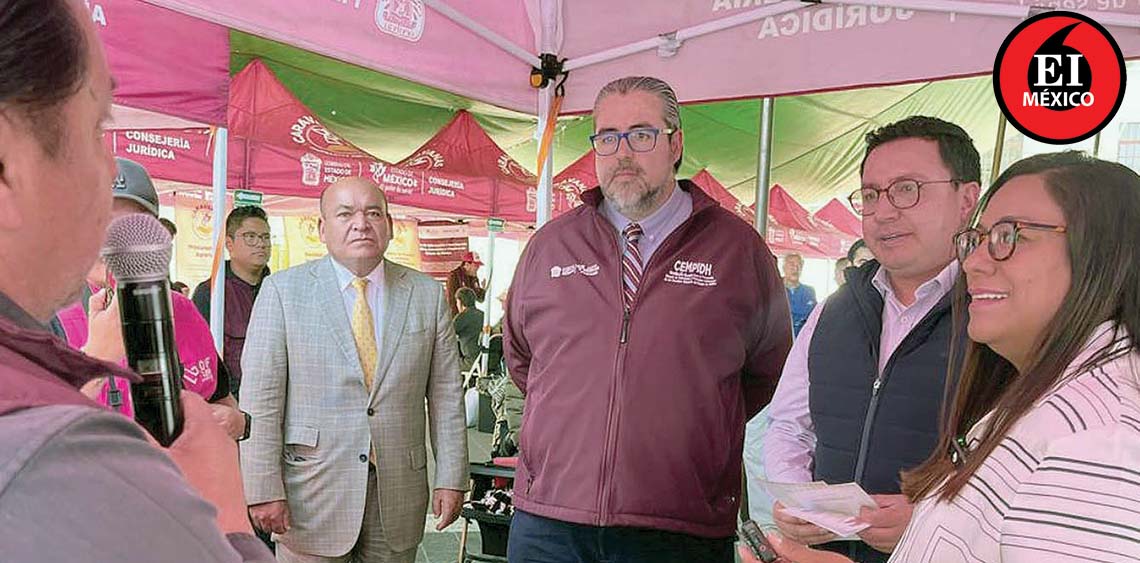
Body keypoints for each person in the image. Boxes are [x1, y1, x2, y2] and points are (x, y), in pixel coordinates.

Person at [759, 153, 1140, 562]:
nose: (973, 261)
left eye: (1008, 236)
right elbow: (789, 422)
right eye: (978, 239)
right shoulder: (1055, 399)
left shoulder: (1098, 441)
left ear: (1105, 252)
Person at [0, 0, 271, 560]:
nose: (108, 169)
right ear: (8, 163)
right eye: (97, 126)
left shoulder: (182, 314)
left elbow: (219, 393)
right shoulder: (51, 451)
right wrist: (224, 520)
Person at [503, 76, 792, 563]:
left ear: (675, 144)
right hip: (550, 521)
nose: (622, 153)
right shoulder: (550, 246)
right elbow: (523, 361)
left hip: (679, 524)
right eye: (607, 137)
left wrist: (693, 426)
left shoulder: (737, 251)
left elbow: (766, 371)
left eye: (641, 135)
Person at [762, 116, 981, 562]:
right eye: (870, 195)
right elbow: (788, 424)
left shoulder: (996, 312)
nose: (883, 212)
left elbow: (1022, 468)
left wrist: (933, 518)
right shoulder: (834, 310)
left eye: (907, 189)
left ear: (967, 200)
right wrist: (797, 496)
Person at [240, 176, 468, 563]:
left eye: (373, 213)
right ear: (322, 228)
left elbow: (447, 397)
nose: (361, 224)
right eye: (345, 214)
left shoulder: (426, 294)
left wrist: (452, 477)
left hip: (397, 491)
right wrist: (262, 487)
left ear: (389, 226)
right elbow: (260, 399)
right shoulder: (282, 292)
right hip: (310, 494)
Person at [54, 157, 246, 441]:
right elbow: (28, 436)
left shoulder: (182, 309)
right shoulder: (44, 317)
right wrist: (97, 357)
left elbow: (221, 398)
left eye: (132, 227)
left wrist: (236, 421)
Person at [192, 205, 272, 398]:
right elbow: (199, 355)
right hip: (230, 399)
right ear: (229, 243)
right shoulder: (211, 292)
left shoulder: (278, 289)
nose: (260, 244)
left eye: (265, 237)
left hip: (273, 396)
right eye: (250, 237)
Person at [783, 253, 817, 337]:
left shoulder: (809, 292)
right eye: (791, 264)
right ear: (784, 267)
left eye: (799, 265)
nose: (795, 268)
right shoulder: (775, 289)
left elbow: (814, 317)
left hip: (803, 339)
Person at [454, 287, 484, 373]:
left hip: (470, 362)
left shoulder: (462, 317)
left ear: (460, 302)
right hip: (483, 359)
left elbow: (446, 334)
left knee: (444, 364)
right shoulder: (482, 315)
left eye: (457, 302)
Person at [445, 251, 484, 316]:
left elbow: (480, 298)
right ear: (467, 264)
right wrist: (458, 318)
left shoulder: (474, 277)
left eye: (478, 266)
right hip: (457, 316)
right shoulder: (454, 276)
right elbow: (451, 301)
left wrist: (482, 289)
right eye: (476, 265)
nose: (478, 268)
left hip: (469, 316)